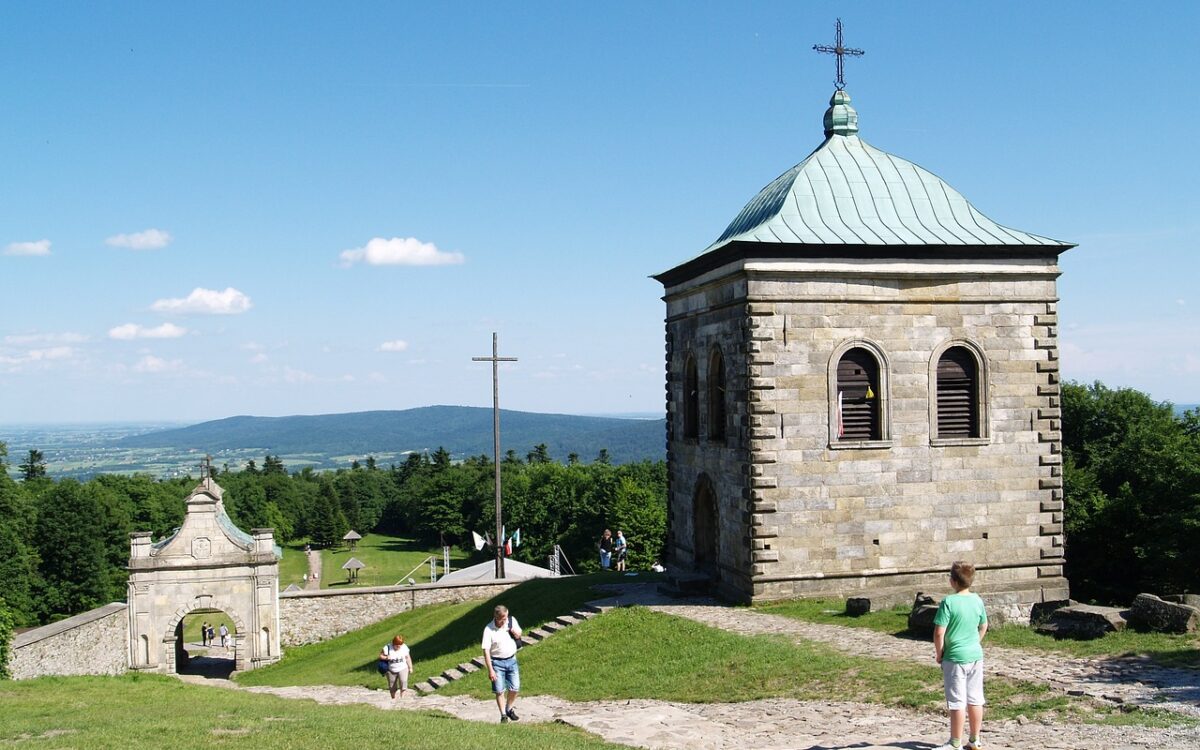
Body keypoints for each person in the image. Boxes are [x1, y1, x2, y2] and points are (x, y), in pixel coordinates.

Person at [932, 561, 988, 750]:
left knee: (957, 700)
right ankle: (975, 739)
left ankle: (955, 742)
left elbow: (939, 632)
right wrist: (975, 642)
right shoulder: (977, 599)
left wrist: (939, 653)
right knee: (975, 698)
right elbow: (983, 625)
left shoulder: (948, 602)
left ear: (952, 581)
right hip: (975, 655)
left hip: (955, 657)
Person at [481, 604, 522, 723]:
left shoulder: (511, 621)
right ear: (496, 617)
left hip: (512, 660)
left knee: (515, 687)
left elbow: (519, 635)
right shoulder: (488, 629)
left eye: (506, 617)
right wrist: (490, 670)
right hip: (497, 663)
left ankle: (509, 708)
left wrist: (516, 633)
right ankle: (503, 715)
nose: (505, 621)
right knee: (499, 690)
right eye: (502, 619)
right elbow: (486, 651)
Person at [380, 634, 413, 699]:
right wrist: (386, 657)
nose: (399, 647)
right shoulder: (387, 648)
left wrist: (410, 667)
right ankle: (393, 698)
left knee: (403, 681)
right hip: (391, 670)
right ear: (393, 643)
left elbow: (407, 657)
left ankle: (402, 697)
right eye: (397, 646)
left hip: (403, 668)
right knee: (392, 686)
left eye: (400, 646)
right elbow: (381, 656)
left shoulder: (404, 647)